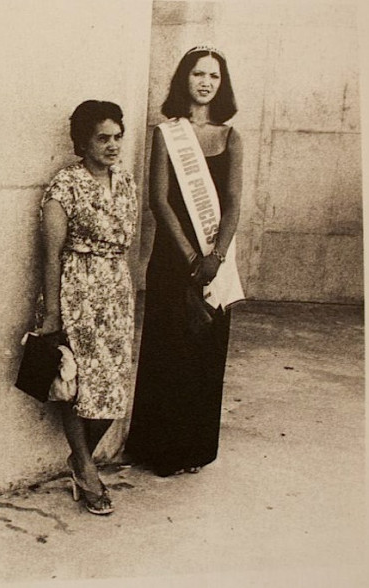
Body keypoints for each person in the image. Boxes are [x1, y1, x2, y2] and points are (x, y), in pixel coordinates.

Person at [125, 46, 243, 476]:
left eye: (214, 76)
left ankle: (195, 448)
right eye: (198, 74)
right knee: (168, 348)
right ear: (184, 79)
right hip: (173, 258)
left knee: (205, 352)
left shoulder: (231, 136)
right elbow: (158, 200)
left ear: (222, 84)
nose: (206, 82)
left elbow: (233, 202)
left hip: (215, 261)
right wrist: (192, 256)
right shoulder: (166, 134)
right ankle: (158, 450)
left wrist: (215, 257)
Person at [37, 100, 138, 515]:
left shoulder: (125, 180)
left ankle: (79, 460)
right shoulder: (65, 185)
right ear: (82, 142)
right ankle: (85, 467)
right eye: (102, 138)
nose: (113, 145)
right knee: (77, 384)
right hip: (77, 292)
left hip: (116, 293)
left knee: (113, 387)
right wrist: (52, 313)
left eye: (117, 137)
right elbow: (51, 255)